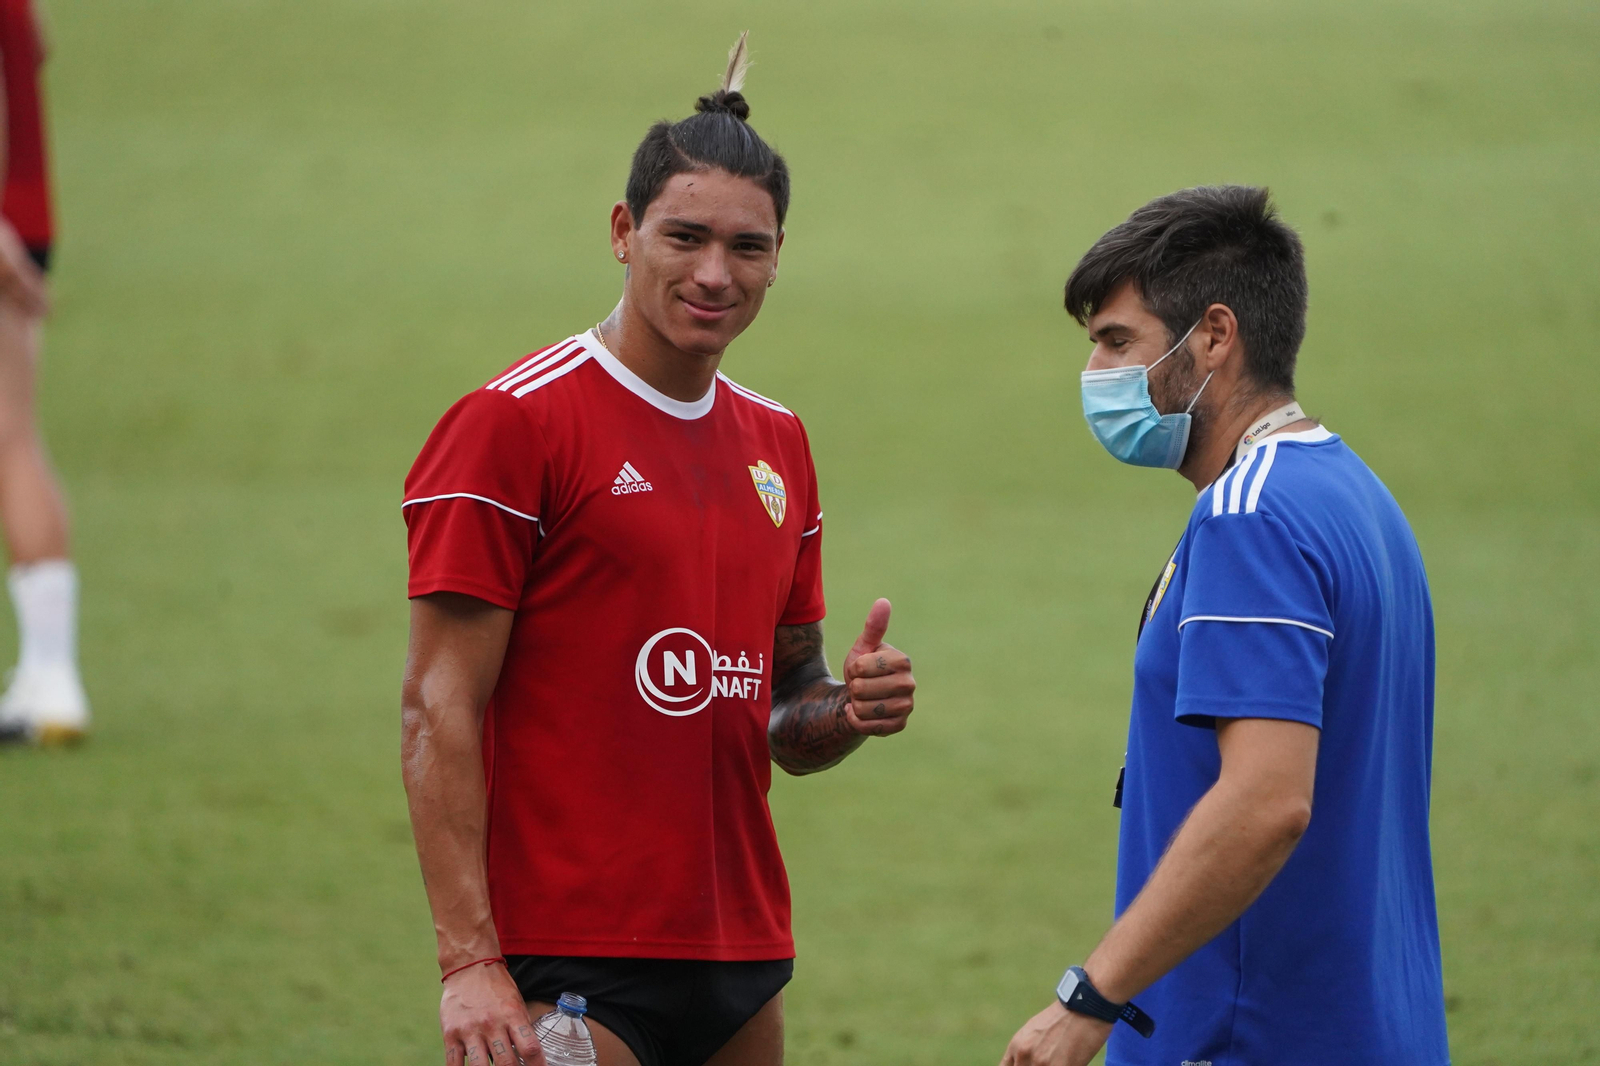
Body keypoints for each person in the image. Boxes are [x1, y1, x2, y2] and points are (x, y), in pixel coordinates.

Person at [400, 34, 917, 1066]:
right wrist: (468, 962)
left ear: (781, 254)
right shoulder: (514, 423)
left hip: (739, 957)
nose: (715, 275)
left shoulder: (779, 443)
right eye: (684, 238)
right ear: (622, 231)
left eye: (749, 247)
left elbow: (783, 703)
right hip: (561, 956)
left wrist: (846, 711)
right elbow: (438, 703)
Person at [1000, 186, 1448, 1066]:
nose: (1097, 375)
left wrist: (1093, 996)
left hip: (1252, 1038)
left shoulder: (1251, 517)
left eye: (1117, 342)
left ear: (1213, 334)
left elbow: (1267, 799)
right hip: (1373, 1028)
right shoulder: (1355, 494)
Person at [0, 0, 87, 747]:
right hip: (26, 219)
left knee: (9, 440)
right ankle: (43, 675)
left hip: (4, 227)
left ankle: (52, 675)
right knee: (11, 437)